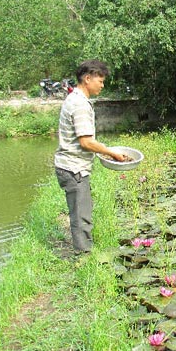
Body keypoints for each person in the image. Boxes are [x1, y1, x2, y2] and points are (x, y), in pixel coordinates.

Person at [54, 59, 125, 253]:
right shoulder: (79, 105)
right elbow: (86, 142)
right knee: (81, 215)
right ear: (87, 79)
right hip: (73, 168)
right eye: (100, 81)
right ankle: (84, 255)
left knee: (82, 210)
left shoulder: (75, 99)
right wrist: (112, 152)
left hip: (71, 166)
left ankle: (84, 250)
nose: (102, 85)